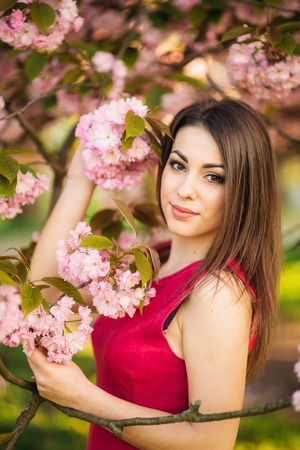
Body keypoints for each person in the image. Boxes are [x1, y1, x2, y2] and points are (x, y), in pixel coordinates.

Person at [27, 97, 281, 450]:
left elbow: (211, 441)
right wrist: (80, 180)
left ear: (244, 190)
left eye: (213, 176)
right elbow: (44, 297)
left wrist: (82, 397)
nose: (184, 189)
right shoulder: (151, 262)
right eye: (178, 166)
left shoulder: (215, 294)